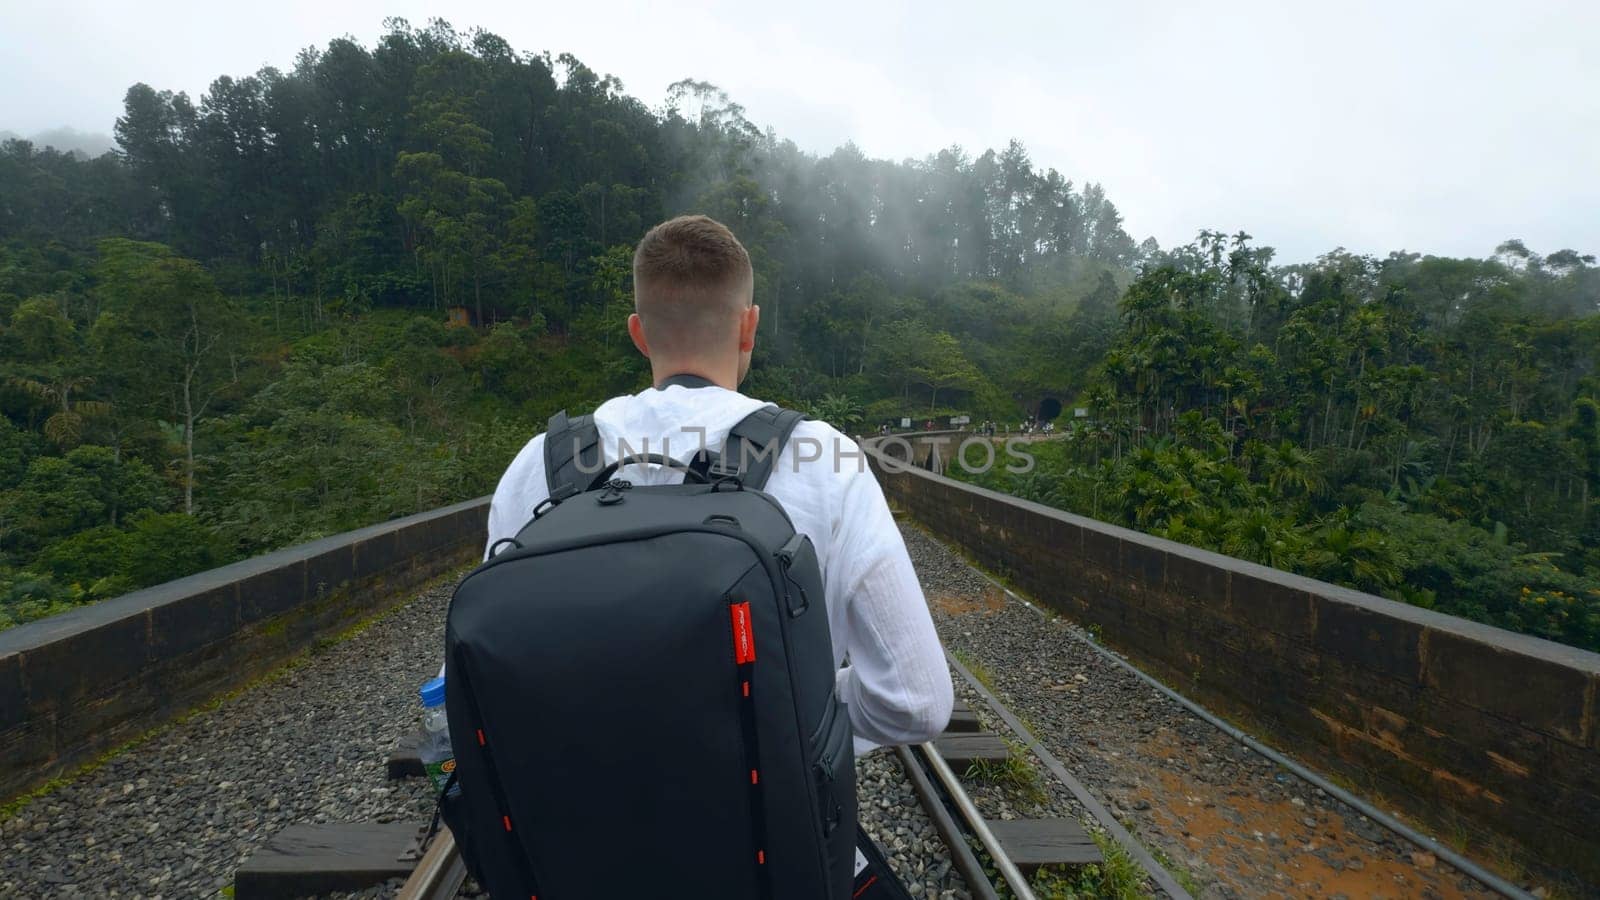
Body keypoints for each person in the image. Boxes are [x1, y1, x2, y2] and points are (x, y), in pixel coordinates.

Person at [480, 215, 953, 754]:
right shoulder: (826, 459)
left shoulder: (538, 465)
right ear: (749, 326)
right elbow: (917, 702)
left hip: (570, 829)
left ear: (639, 333)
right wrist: (798, 697)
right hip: (767, 835)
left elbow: (487, 680)